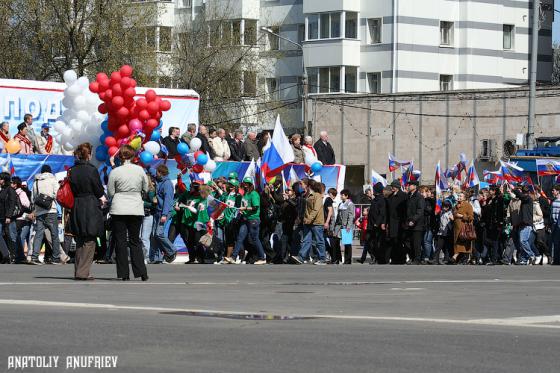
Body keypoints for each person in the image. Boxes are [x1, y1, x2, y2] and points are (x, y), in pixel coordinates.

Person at [107, 145, 149, 281]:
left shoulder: (115, 172)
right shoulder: (139, 170)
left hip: (119, 207)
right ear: (133, 156)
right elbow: (146, 188)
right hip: (136, 207)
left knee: (120, 241)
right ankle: (142, 272)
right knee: (135, 240)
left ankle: (124, 273)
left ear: (120, 157)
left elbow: (110, 192)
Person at [67, 143, 105, 280]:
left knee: (80, 239)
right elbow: (98, 189)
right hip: (90, 204)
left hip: (77, 204)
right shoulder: (91, 170)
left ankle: (78, 270)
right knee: (90, 239)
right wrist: (103, 199)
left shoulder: (72, 170)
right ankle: (83, 272)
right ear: (88, 154)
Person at [224, 178, 266, 265]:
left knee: (255, 239)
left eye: (248, 183)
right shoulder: (246, 194)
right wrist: (242, 210)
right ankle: (233, 257)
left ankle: (262, 257)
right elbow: (245, 205)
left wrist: (245, 208)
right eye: (244, 184)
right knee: (240, 238)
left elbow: (255, 207)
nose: (246, 185)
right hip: (245, 219)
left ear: (251, 185)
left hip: (253, 219)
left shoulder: (254, 194)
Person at [28, 165, 63, 264]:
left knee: (38, 234)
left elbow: (33, 198)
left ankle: (34, 257)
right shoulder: (53, 180)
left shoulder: (36, 181)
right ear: (50, 171)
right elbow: (57, 194)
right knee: (54, 235)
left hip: (39, 212)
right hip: (51, 210)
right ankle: (55, 258)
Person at [291, 179, 327, 265]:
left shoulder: (317, 196)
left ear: (309, 186)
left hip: (316, 222)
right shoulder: (308, 195)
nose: (302, 186)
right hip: (307, 222)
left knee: (319, 241)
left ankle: (322, 258)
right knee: (306, 240)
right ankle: (301, 257)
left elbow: (316, 209)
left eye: (303, 184)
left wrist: (309, 219)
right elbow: (306, 209)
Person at [150, 164, 177, 264]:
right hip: (158, 210)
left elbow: (168, 201)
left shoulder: (167, 184)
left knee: (159, 233)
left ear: (161, 173)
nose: (155, 174)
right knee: (154, 235)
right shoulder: (159, 179)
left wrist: (165, 214)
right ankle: (157, 258)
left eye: (157, 172)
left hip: (164, 212)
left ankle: (172, 250)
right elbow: (151, 170)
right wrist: (145, 162)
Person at [363, 182, 387, 264]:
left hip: (377, 225)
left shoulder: (382, 200)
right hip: (371, 225)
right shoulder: (374, 200)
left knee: (377, 243)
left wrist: (377, 223)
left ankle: (378, 259)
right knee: (368, 241)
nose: (373, 191)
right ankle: (374, 257)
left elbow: (382, 213)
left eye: (374, 189)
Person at [513, 186, 537, 265]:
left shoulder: (528, 199)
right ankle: (524, 259)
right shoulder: (524, 199)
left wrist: (514, 189)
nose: (523, 193)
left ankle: (532, 255)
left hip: (527, 224)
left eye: (524, 192)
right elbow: (517, 196)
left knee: (523, 241)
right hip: (522, 224)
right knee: (522, 243)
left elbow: (521, 196)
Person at [332, 189, 355, 264]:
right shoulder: (340, 204)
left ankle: (347, 260)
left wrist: (348, 226)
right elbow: (338, 216)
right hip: (338, 226)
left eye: (342, 195)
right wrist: (335, 226)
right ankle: (337, 259)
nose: (341, 196)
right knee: (335, 242)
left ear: (346, 196)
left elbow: (351, 216)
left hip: (346, 226)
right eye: (341, 195)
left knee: (347, 244)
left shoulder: (350, 204)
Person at [405, 180, 425, 265]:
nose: (408, 186)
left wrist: (413, 220)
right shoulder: (409, 196)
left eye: (410, 185)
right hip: (408, 223)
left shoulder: (419, 197)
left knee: (416, 243)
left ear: (415, 186)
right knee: (408, 241)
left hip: (417, 224)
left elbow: (420, 210)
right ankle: (412, 257)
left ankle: (417, 259)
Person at [387, 180, 407, 264]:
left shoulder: (403, 196)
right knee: (393, 241)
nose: (391, 188)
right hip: (391, 222)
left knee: (399, 241)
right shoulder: (390, 196)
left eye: (393, 186)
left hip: (399, 222)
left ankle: (401, 259)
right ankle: (394, 258)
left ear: (397, 187)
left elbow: (405, 210)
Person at [12, 177, 31, 264]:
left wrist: (18, 205)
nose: (11, 184)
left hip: (20, 218)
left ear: (16, 184)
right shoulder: (14, 192)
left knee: (17, 237)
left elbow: (27, 204)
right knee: (17, 237)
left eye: (13, 183)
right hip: (16, 217)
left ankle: (19, 256)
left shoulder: (21, 193)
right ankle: (18, 256)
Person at [451, 191, 474, 264]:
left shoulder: (468, 205)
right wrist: (453, 217)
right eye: (458, 196)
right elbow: (455, 214)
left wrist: (461, 216)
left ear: (464, 198)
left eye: (460, 196)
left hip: (464, 228)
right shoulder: (456, 205)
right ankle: (459, 258)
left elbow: (471, 217)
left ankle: (455, 257)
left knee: (463, 244)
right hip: (456, 228)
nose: (459, 197)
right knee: (457, 243)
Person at [0, 172, 17, 263]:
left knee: (11, 236)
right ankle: (5, 255)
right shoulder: (2, 189)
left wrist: (8, 216)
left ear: (5, 179)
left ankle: (13, 255)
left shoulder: (10, 189)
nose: (0, 180)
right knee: (3, 236)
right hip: (1, 216)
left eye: (1, 178)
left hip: (7, 217)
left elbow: (12, 203)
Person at [433, 200, 454, 265]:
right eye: (444, 206)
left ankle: (447, 259)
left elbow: (453, 221)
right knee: (438, 246)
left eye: (446, 206)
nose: (445, 208)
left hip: (448, 232)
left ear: (449, 207)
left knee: (447, 247)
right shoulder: (441, 212)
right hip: (441, 232)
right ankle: (435, 260)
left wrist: (452, 219)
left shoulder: (451, 212)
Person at [550, 185, 560, 265]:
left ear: (558, 191)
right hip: (554, 225)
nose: (552, 192)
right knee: (555, 243)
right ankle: (556, 260)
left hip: (558, 225)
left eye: (553, 190)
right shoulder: (553, 200)